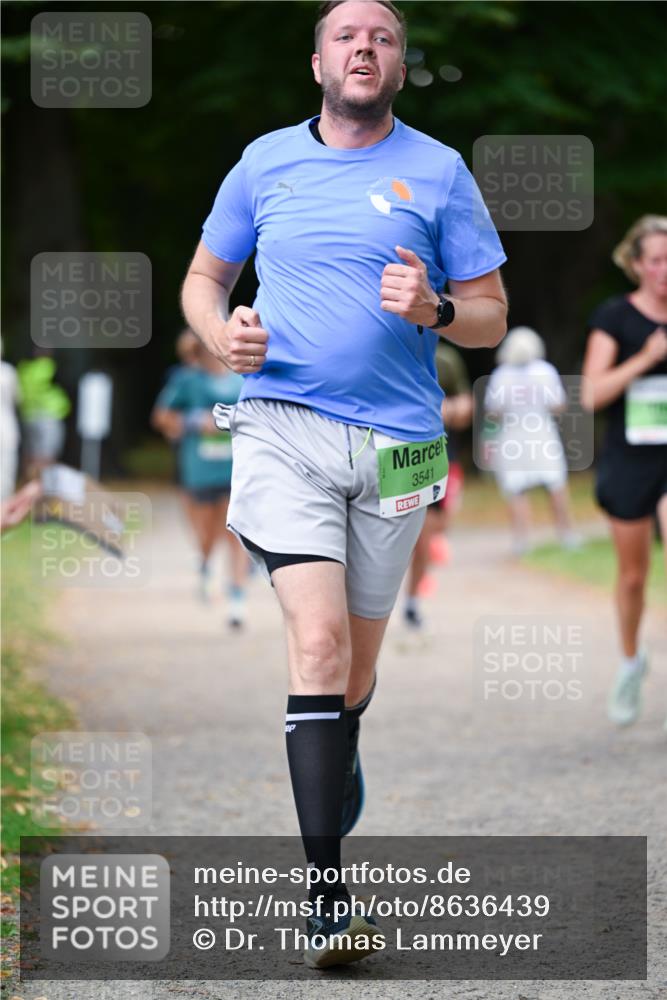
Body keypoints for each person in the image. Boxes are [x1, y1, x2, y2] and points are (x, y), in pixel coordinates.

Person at [182, 0, 507, 968]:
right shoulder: (264, 162)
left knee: (353, 672)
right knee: (315, 644)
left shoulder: (440, 172)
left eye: (384, 38)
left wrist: (436, 304)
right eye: (346, 36)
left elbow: (489, 314)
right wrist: (219, 333)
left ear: (399, 66)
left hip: (399, 447)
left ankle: (340, 741)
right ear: (317, 60)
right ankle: (328, 896)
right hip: (281, 428)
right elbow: (204, 280)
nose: (365, 48)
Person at [582, 215, 667, 727]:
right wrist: (646, 358)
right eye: (656, 260)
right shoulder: (615, 317)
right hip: (630, 458)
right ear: (636, 264)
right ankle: (632, 661)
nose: (665, 269)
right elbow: (591, 395)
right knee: (633, 577)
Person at [151, 335, 249, 626]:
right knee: (208, 533)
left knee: (237, 534)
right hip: (200, 468)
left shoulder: (242, 378)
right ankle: (206, 565)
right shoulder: (186, 380)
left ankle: (237, 601)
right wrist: (194, 421)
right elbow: (161, 417)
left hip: (237, 468)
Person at [484, 326, 580, 555]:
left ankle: (521, 541)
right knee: (556, 484)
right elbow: (559, 405)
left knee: (516, 489)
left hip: (512, 435)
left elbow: (493, 411)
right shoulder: (545, 371)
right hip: (542, 433)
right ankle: (567, 534)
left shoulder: (501, 375)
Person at [404, 342, 473, 628]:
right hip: (386, 453)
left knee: (426, 533)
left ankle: (412, 601)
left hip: (434, 454)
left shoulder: (444, 359)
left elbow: (466, 405)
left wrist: (448, 409)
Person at [17, 351, 70, 479]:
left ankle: (29, 484)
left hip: (28, 416)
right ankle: (43, 488)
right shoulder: (50, 367)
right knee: (47, 456)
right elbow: (65, 385)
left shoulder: (25, 368)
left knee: (30, 455)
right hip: (49, 416)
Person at [1, 340, 21, 500]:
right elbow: (17, 398)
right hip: (7, 426)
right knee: (6, 468)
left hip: (6, 426)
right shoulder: (9, 372)